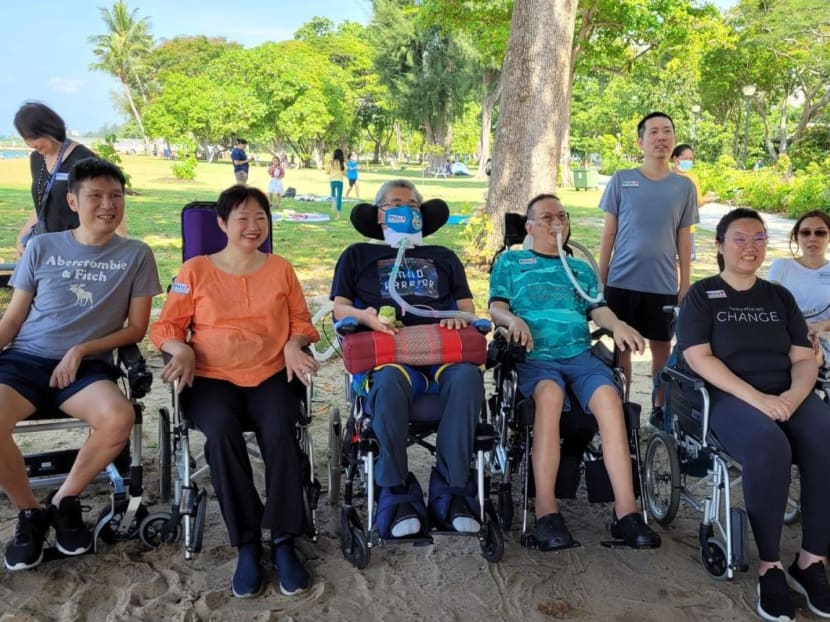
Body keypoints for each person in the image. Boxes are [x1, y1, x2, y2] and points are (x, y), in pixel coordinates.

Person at [150, 185, 320, 599]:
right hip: (211, 378)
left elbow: (301, 322)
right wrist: (182, 349)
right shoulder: (195, 271)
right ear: (222, 224)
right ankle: (246, 542)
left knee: (282, 428)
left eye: (260, 217)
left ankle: (282, 539)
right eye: (242, 218)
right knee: (221, 433)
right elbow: (166, 327)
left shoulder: (280, 268)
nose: (253, 226)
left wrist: (295, 345)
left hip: (270, 374)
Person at [0, 158, 161, 571]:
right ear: (73, 200)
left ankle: (63, 501)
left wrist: (80, 349)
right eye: (96, 196)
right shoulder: (42, 246)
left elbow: (137, 328)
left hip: (87, 367)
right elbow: (14, 319)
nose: (107, 204)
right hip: (26, 360)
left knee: (118, 418)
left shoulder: (136, 255)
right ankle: (30, 512)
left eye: (116, 196)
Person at [677, 208, 830, 622]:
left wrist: (794, 397)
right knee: (769, 447)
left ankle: (811, 560)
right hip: (729, 398)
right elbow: (699, 358)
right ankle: (770, 567)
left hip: (788, 393)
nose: (751, 247)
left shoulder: (779, 297)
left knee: (825, 439)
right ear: (720, 246)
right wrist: (758, 400)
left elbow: (803, 358)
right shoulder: (702, 295)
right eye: (740, 239)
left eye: (759, 238)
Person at [488, 194, 661, 550]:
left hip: (580, 356)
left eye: (562, 216)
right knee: (549, 397)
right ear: (529, 226)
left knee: (610, 400)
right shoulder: (511, 262)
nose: (556, 223)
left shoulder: (580, 269)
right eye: (547, 217)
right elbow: (496, 308)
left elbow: (598, 310)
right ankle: (547, 512)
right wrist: (513, 319)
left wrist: (619, 326)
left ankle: (626, 512)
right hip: (536, 358)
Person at [330, 179, 483, 538]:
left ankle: (452, 488)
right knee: (388, 382)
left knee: (467, 378)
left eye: (413, 204)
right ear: (380, 215)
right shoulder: (357, 255)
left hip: (441, 351)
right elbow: (339, 308)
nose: (405, 209)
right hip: (389, 353)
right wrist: (367, 317)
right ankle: (394, 492)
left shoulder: (444, 257)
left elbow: (467, 308)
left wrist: (455, 317)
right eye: (395, 203)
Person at [598, 112, 698, 426]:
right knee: (621, 348)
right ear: (641, 141)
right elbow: (609, 233)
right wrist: (600, 278)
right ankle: (621, 406)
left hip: (662, 284)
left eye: (667, 131)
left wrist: (685, 284)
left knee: (661, 348)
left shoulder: (683, 187)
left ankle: (660, 408)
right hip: (622, 281)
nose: (661, 137)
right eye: (653, 132)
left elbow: (684, 238)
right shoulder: (622, 179)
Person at [13, 101, 126, 257]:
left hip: (81, 248)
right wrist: (22, 236)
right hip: (48, 246)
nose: (30, 144)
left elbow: (109, 200)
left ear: (49, 129)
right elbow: (42, 201)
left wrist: (119, 247)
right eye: (26, 138)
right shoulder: (36, 159)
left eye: (34, 137)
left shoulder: (82, 158)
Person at [768, 209, 830, 368]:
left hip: (822, 337)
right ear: (796, 237)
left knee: (808, 353)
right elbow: (771, 305)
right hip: (787, 334)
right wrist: (798, 329)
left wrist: (821, 326)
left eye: (820, 233)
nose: (812, 238)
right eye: (805, 232)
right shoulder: (781, 266)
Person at [670, 144, 714, 261]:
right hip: (668, 229)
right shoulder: (665, 176)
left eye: (691, 159)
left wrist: (705, 200)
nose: (688, 162)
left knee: (683, 264)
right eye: (685, 159)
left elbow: (697, 202)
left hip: (686, 228)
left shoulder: (692, 178)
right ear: (675, 158)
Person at [327, 148, 345, 218]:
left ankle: (333, 207)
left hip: (332, 181)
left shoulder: (331, 162)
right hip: (340, 181)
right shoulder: (342, 163)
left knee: (333, 195)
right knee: (339, 197)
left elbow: (327, 172)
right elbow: (345, 173)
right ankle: (338, 214)